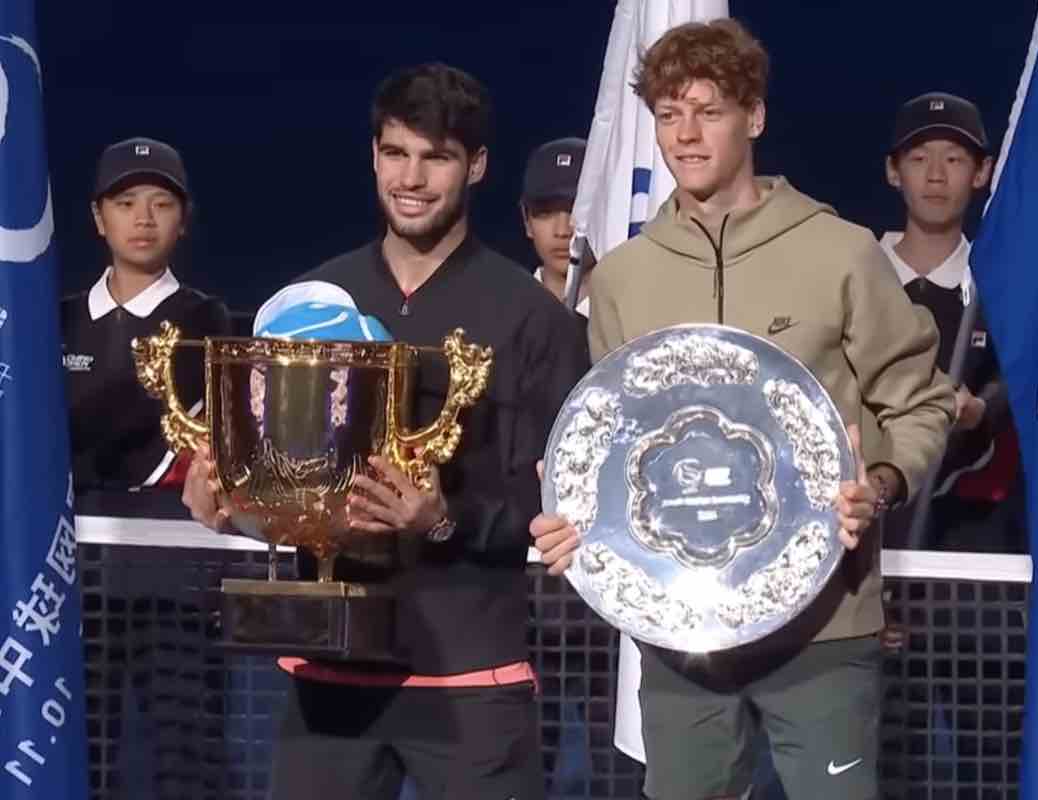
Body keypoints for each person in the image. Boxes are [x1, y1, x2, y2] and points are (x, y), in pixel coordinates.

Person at [530, 19, 955, 800]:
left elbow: (920, 401)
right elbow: (618, 448)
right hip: (682, 647)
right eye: (667, 114)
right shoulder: (622, 279)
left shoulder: (840, 251)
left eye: (708, 110)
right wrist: (574, 513)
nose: (685, 135)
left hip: (826, 630)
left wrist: (885, 481)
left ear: (753, 116)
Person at [181, 63, 588, 800]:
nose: (412, 177)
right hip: (328, 682)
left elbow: (552, 513)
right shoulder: (311, 303)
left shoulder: (537, 323)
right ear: (373, 155)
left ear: (477, 166)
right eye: (396, 153)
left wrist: (441, 520)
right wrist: (230, 507)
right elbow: (282, 481)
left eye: (436, 158)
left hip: (472, 681)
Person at [880, 92, 1023, 553]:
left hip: (967, 538)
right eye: (919, 158)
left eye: (955, 159)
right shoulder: (855, 273)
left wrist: (982, 408)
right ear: (893, 171)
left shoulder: (1000, 287)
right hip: (862, 526)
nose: (936, 175)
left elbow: (1025, 378)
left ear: (981, 172)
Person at [61, 136, 232, 493]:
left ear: (183, 218)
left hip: (161, 524)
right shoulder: (57, 319)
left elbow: (155, 417)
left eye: (162, 204)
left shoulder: (204, 320)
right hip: (55, 519)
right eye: (125, 204)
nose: (143, 219)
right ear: (99, 217)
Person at [521, 136, 591, 315]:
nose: (562, 231)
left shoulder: (631, 317)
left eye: (576, 212)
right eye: (546, 213)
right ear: (526, 220)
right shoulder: (500, 311)